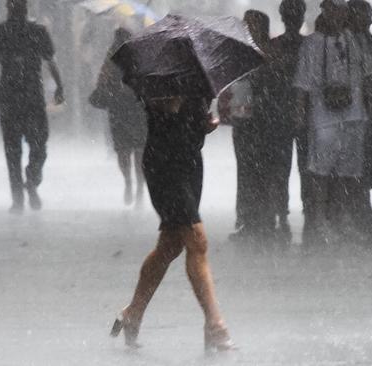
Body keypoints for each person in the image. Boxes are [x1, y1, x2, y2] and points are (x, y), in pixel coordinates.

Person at [111, 93, 235, 352]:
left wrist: (204, 121)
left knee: (170, 244)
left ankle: (133, 313)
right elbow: (161, 107)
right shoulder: (160, 68)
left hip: (190, 162)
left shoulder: (196, 70)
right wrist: (175, 101)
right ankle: (215, 324)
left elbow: (195, 115)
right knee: (196, 239)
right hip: (164, 163)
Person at [293, 0, 372, 247]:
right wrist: (299, 114)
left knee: (347, 172)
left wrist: (371, 108)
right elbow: (302, 84)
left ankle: (343, 219)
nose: (338, 15)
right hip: (323, 117)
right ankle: (320, 221)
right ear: (325, 11)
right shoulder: (312, 43)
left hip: (353, 115)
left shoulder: (355, 41)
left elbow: (369, 74)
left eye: (341, 10)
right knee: (321, 172)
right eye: (333, 9)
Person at [0, 0, 65, 214]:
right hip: (32, 95)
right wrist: (60, 86)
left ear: (8, 7)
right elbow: (51, 62)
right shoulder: (38, 31)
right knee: (39, 144)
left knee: (12, 150)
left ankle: (18, 200)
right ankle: (32, 180)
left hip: (10, 97)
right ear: (27, 8)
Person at [220, 10, 276, 243]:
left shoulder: (269, 55)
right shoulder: (239, 54)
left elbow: (273, 84)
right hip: (243, 122)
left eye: (252, 25)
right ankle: (247, 219)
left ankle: (264, 219)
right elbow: (228, 83)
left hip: (264, 121)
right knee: (246, 172)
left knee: (262, 172)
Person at [90, 28, 148, 207]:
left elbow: (101, 82)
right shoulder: (139, 57)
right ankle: (136, 186)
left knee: (124, 150)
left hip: (120, 110)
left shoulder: (111, 59)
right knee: (137, 151)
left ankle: (130, 183)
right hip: (135, 109)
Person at [267, 0, 307, 245]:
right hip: (301, 115)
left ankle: (282, 215)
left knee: (280, 169)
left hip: (280, 114)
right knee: (305, 168)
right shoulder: (309, 46)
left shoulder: (274, 47)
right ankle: (308, 211)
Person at [347, 0, 372, 245]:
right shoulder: (347, 45)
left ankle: (361, 219)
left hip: (370, 115)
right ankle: (361, 219)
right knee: (357, 170)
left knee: (366, 169)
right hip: (357, 116)